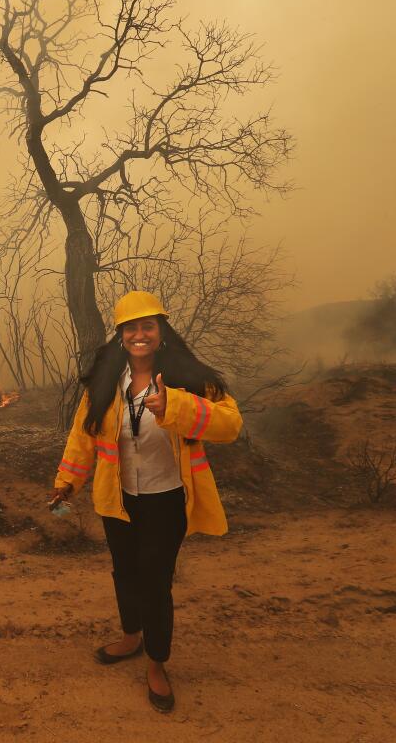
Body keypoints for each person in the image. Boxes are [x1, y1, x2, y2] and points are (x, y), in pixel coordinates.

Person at [48, 290, 242, 713]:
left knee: (155, 582)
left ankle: (156, 662)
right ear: (121, 336)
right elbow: (83, 437)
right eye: (131, 328)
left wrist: (177, 404)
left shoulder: (189, 378)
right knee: (125, 573)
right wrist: (67, 482)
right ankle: (132, 636)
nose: (139, 334)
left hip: (166, 498)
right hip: (116, 499)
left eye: (147, 326)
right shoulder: (105, 383)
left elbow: (230, 425)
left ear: (161, 331)